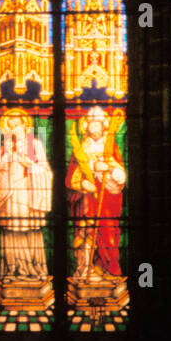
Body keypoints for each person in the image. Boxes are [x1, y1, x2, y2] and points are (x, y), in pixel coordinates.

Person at [0, 108, 51, 279]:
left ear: (25, 125)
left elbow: (46, 172)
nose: (15, 128)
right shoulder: (5, 148)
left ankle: (33, 268)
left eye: (17, 124)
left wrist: (30, 165)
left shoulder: (34, 144)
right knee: (12, 230)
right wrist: (7, 156)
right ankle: (14, 268)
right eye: (11, 125)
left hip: (29, 194)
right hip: (10, 195)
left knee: (29, 229)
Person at [67, 106, 125, 280]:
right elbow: (72, 174)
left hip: (107, 201)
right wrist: (83, 182)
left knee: (107, 233)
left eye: (97, 125)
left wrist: (110, 169)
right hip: (86, 200)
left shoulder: (110, 146)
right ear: (86, 127)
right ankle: (86, 267)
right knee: (86, 233)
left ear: (103, 127)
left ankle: (107, 269)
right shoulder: (81, 149)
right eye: (90, 125)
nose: (94, 128)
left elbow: (121, 176)